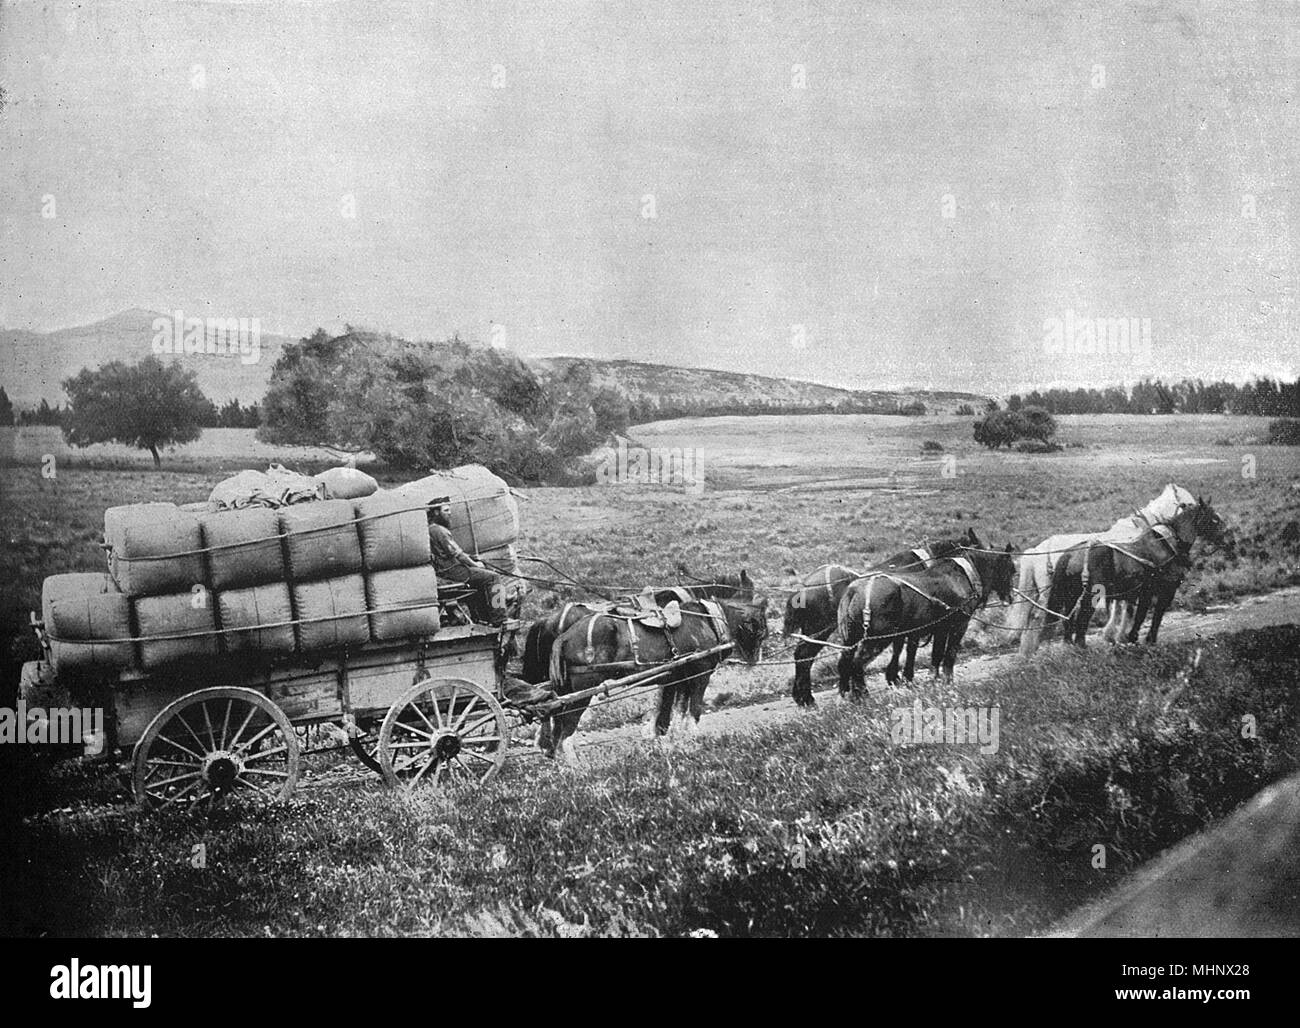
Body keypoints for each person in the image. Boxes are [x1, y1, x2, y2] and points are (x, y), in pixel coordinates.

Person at [426, 497, 506, 626]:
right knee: (493, 578)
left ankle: (481, 618)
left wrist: (472, 558)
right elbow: (458, 555)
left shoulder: (431, 529)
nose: (449, 513)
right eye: (446, 510)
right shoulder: (439, 531)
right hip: (452, 571)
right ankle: (499, 618)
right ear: (436, 512)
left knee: (480, 579)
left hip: (445, 570)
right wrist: (476, 564)